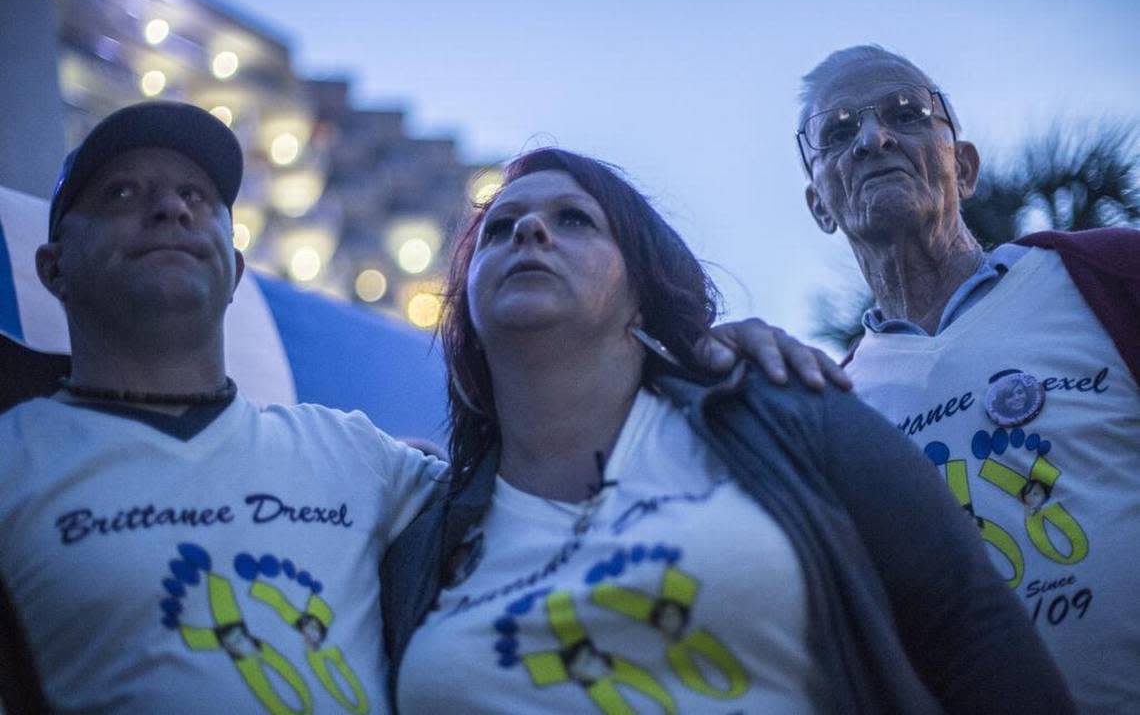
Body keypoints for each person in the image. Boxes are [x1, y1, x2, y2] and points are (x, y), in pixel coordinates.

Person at [0, 102, 846, 713]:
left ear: (234, 262)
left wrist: (710, 348)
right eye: (122, 195)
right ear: (52, 267)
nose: (171, 207)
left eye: (200, 198)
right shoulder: (15, 461)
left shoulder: (359, 460)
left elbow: (547, 448)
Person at [381, 148, 1072, 713]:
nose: (530, 233)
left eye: (574, 221)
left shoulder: (785, 414)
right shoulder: (420, 538)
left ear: (641, 288)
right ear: (466, 304)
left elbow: (972, 631)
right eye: (500, 229)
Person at [796, 44, 1140, 712]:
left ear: (967, 166)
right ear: (820, 206)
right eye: (839, 131)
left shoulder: (1110, 276)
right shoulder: (828, 410)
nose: (875, 137)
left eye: (909, 114)